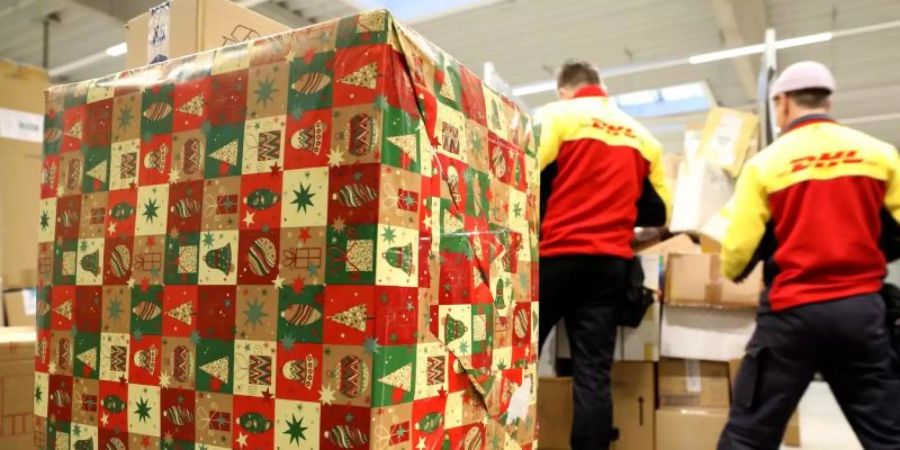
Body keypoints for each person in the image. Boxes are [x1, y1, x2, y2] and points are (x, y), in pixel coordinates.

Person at [717, 61, 900, 449]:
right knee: (888, 433)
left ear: (782, 103)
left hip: (791, 315)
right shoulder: (879, 155)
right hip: (860, 313)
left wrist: (735, 268)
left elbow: (737, 250)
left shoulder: (766, 163)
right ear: (827, 101)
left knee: (749, 434)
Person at [537, 60, 671, 449]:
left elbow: (521, 174)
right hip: (609, 266)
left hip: (556, 258)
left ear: (564, 89)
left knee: (517, 360)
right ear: (601, 86)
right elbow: (661, 211)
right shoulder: (643, 137)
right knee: (592, 372)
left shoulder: (556, 115)